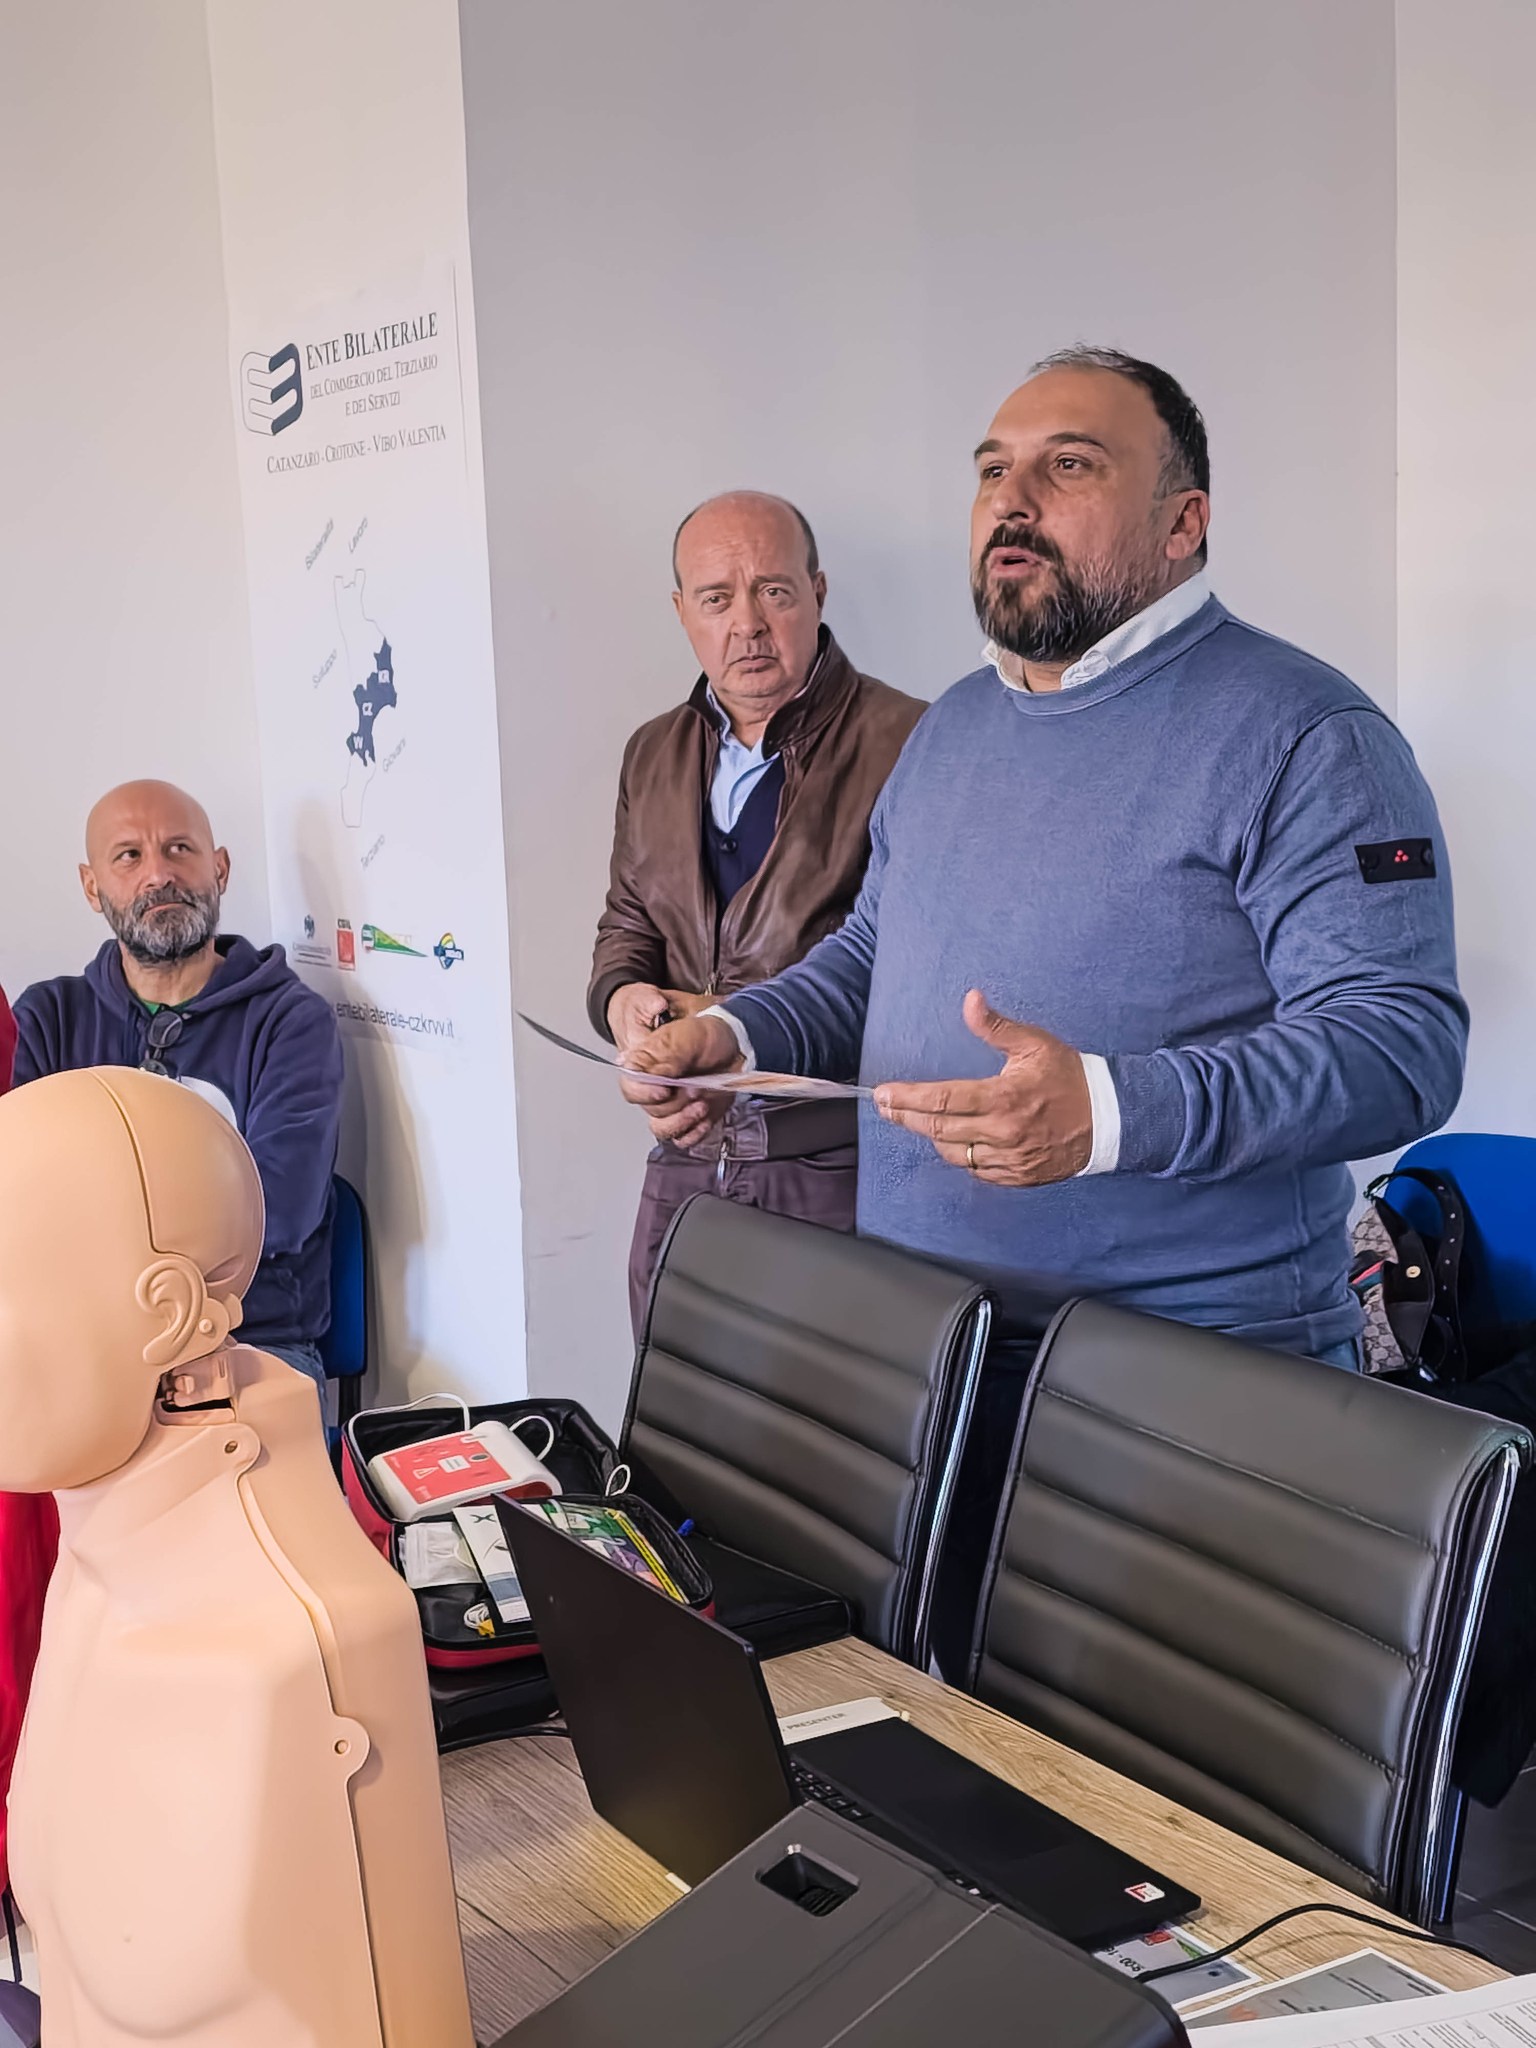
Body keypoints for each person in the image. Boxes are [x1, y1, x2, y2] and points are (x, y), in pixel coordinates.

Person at [621, 349, 1466, 1672]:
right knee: (941, 1756)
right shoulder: (956, 728)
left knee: (1153, 1791)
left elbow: (1399, 1047)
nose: (1013, 501)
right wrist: (732, 1038)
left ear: (1184, 520)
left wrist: (1110, 1112)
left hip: (1178, 1409)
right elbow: (876, 953)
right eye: (992, 472)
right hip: (922, 1375)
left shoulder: (1308, 733)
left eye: (1070, 465)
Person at [589, 490, 924, 1330]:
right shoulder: (652, 753)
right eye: (716, 598)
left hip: (837, 1172)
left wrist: (725, 1026)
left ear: (818, 592)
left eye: (774, 591)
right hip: (685, 1165)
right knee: (670, 1404)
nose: (748, 624)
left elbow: (913, 975)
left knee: (833, 1409)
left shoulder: (913, 741)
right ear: (681, 613)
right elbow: (627, 924)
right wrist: (621, 1000)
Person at [12, 780, 344, 1398]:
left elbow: (277, 1211)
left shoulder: (291, 1022)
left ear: (220, 869)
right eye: (129, 855)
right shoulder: (48, 1018)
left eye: (179, 849)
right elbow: (24, 1209)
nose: (159, 875)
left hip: (249, 1344)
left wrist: (96, 1234)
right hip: (83, 1348)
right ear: (92, 886)